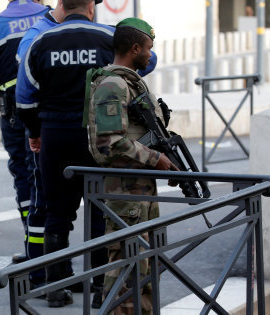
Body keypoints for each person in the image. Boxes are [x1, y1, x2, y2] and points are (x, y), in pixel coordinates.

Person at [15, 0, 115, 308]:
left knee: (57, 212)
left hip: (55, 136)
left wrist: (34, 133)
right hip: (97, 136)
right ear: (90, 7)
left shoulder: (42, 41)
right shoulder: (109, 38)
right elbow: (145, 62)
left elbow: (24, 97)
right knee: (99, 211)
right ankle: (101, 287)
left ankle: (55, 288)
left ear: (62, 6)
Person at [86, 17, 179, 314]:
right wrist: (156, 159)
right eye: (149, 48)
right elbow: (108, 141)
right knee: (127, 261)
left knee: (142, 261)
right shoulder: (113, 84)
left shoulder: (127, 82)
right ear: (135, 48)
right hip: (125, 186)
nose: (151, 55)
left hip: (137, 185)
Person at [0, 0, 48, 276]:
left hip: (14, 112)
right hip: (45, 110)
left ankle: (33, 250)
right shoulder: (49, 17)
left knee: (24, 179)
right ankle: (50, 253)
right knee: (44, 179)